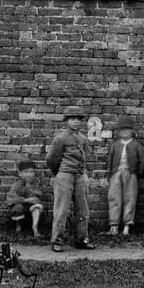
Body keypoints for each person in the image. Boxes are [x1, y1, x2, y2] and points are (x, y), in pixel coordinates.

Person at [46, 106, 94, 253]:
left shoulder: (83, 139)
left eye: (78, 119)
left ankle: (82, 240)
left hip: (80, 176)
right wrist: (59, 174)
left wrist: (83, 174)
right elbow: (51, 159)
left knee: (83, 210)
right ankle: (57, 241)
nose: (75, 122)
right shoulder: (60, 138)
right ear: (66, 121)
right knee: (61, 210)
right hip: (64, 175)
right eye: (72, 119)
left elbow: (86, 157)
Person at [105, 116, 144, 236]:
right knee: (114, 197)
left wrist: (137, 173)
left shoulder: (136, 145)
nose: (124, 132)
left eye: (127, 129)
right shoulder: (115, 145)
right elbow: (110, 159)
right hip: (116, 173)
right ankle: (114, 225)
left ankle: (127, 225)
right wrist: (110, 173)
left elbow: (143, 160)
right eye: (122, 129)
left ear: (132, 131)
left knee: (130, 198)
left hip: (130, 173)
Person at [4, 161, 44, 239]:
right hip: (20, 210)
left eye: (31, 172)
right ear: (20, 174)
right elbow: (11, 199)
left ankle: (35, 226)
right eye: (25, 172)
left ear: (34, 173)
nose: (28, 174)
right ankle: (18, 226)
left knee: (37, 206)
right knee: (18, 207)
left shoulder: (35, 184)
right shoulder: (17, 185)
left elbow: (37, 198)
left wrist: (29, 188)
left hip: (31, 211)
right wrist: (25, 200)